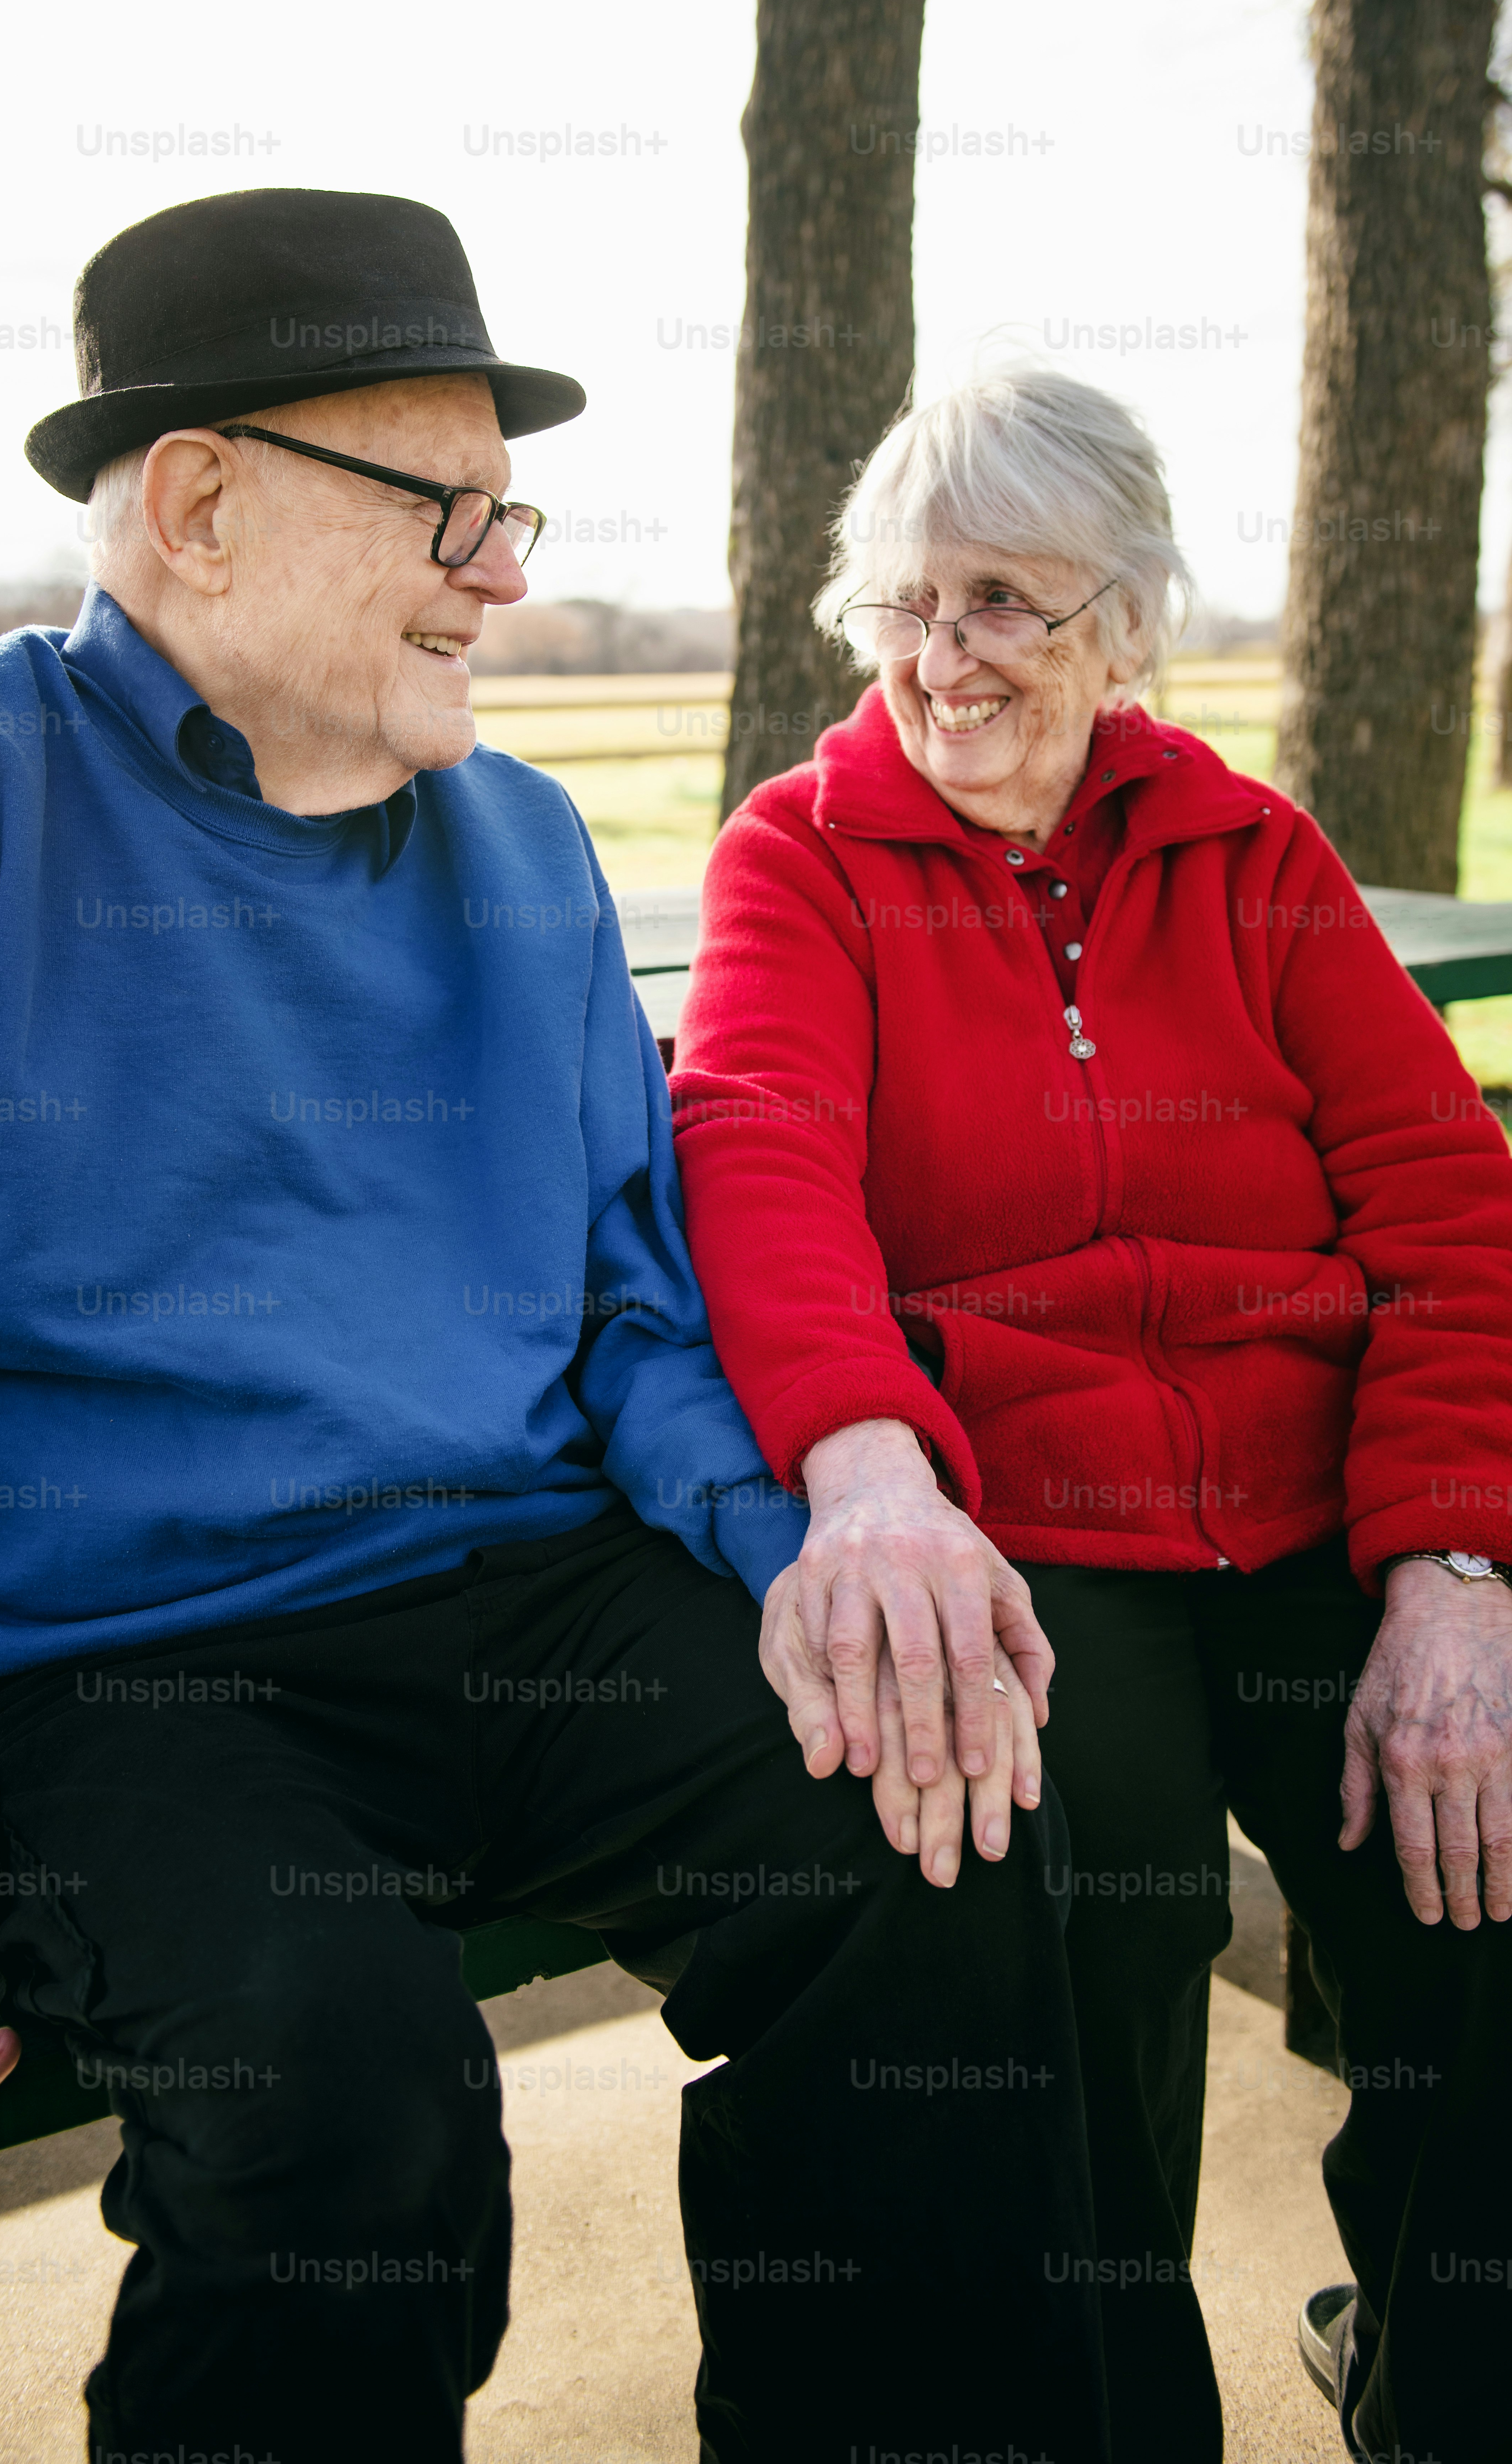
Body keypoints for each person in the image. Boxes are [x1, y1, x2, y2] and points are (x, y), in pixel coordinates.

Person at [0, 195, 1110, 2464]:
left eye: (514, 519)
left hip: (531, 1597)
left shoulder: (518, 847)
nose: (504, 577)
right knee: (346, 2103)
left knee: (952, 1839)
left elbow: (624, 1303)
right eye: (453, 514)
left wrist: (792, 1546)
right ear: (200, 506)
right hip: (112, 1673)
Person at [669, 366, 1512, 2464]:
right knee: (1068, 1914)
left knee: (1491, 1879)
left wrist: (1450, 1560)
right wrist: (866, 1465)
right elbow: (755, 1152)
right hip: (1037, 1518)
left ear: (1120, 625)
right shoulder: (802, 859)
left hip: (1323, 1505)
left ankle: (1448, 2395)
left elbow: (1442, 1198)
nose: (944, 658)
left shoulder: (1248, 848)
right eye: (906, 603)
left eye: (1004, 604)